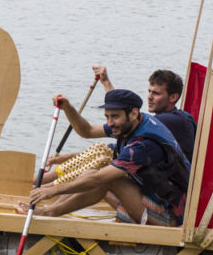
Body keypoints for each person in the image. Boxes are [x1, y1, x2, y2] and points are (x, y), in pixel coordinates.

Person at [17, 89, 191, 227]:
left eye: (115, 116)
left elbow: (99, 178)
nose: (110, 122)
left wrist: (52, 190)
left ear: (133, 113)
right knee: (94, 171)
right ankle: (51, 209)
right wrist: (68, 108)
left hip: (168, 218)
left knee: (104, 179)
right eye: (107, 117)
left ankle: (50, 212)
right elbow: (88, 131)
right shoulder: (135, 122)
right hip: (151, 198)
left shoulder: (143, 145)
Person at [93, 65, 197, 159]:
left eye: (155, 93)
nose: (149, 97)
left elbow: (90, 131)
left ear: (173, 97)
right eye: (149, 91)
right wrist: (106, 83)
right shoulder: (160, 120)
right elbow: (123, 111)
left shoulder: (171, 121)